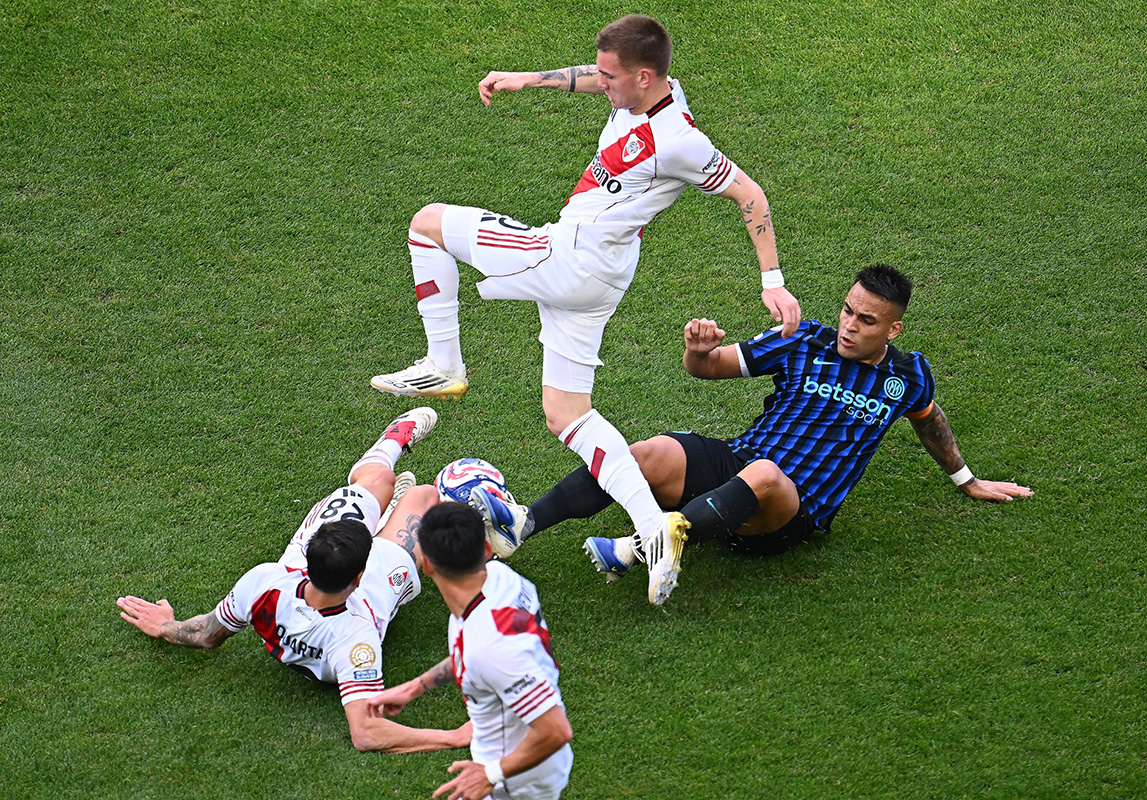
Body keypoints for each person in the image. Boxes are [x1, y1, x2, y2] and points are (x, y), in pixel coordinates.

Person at [370, 14, 802, 607]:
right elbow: (593, 80)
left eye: (611, 76)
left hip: (566, 255)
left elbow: (750, 194)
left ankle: (444, 362)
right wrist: (527, 79)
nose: (602, 83)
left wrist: (772, 282)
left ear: (644, 76)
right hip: (602, 277)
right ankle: (655, 528)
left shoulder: (681, 141)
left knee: (427, 225)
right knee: (568, 416)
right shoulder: (647, 94)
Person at [477, 264, 1033, 585]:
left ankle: (653, 546)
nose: (849, 325)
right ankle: (522, 524)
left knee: (766, 473)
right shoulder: (805, 338)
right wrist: (698, 350)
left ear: (893, 329)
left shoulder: (908, 378)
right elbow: (709, 369)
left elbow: (929, 422)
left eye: (866, 321)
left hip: (789, 511)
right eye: (847, 310)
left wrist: (967, 480)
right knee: (647, 453)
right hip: (735, 465)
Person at [116, 408, 472, 754]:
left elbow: (206, 634)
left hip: (328, 574)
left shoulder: (265, 580)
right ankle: (397, 515)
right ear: (362, 574)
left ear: (309, 552)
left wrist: (166, 627)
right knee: (424, 495)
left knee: (377, 483)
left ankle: (393, 446)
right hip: (383, 581)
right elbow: (365, 733)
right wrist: (452, 737)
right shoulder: (356, 637)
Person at [367, 502, 573, 800]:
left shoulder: (491, 648)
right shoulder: (500, 580)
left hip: (516, 781)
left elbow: (556, 731)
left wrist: (490, 775)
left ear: (426, 564)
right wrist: (414, 688)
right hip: (518, 764)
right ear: (487, 549)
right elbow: (472, 655)